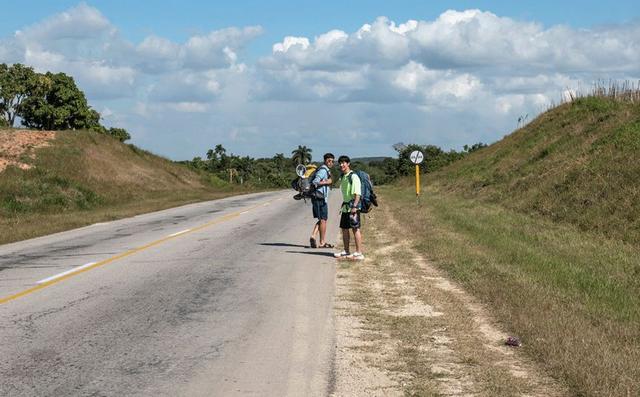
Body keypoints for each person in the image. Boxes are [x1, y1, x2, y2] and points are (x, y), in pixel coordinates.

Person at [333, 155, 364, 260]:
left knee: (355, 229)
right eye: (340, 163)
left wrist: (354, 207)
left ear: (348, 164)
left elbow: (357, 194)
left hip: (353, 206)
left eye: (343, 163)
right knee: (345, 229)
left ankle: (359, 253)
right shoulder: (343, 176)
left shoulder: (353, 176)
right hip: (346, 207)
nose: (341, 165)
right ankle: (346, 251)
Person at [309, 153, 335, 248]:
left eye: (332, 161)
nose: (330, 162)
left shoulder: (324, 169)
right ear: (325, 160)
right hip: (320, 197)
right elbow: (315, 182)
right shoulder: (323, 170)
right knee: (323, 220)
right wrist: (326, 182)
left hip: (319, 197)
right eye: (329, 160)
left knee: (322, 219)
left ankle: (314, 235)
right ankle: (322, 242)